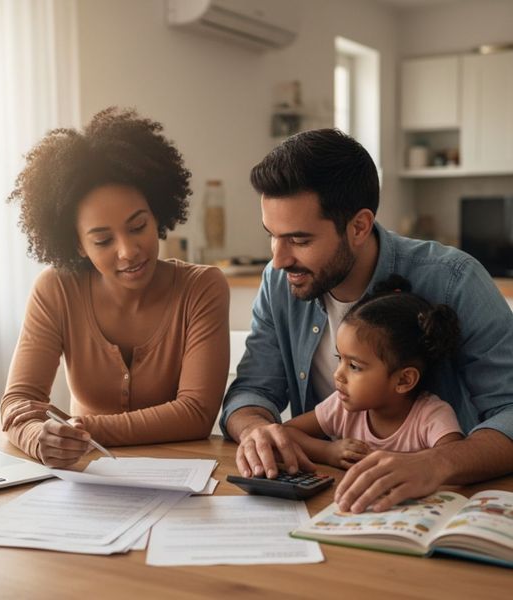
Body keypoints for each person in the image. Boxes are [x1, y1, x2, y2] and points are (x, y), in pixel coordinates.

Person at [220, 128, 513, 514]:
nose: (278, 259)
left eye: (299, 240)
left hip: (439, 505)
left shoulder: (454, 280)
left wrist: (436, 462)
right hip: (328, 500)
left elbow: (508, 409)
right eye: (272, 236)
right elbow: (251, 392)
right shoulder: (280, 282)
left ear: (358, 226)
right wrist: (256, 429)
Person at [1, 107, 230, 467]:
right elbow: (18, 402)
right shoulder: (55, 289)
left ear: (157, 214)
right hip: (89, 481)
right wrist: (38, 438)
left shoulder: (202, 287)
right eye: (103, 240)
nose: (128, 251)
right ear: (78, 245)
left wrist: (84, 429)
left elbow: (196, 412)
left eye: (138, 227)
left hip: (181, 477)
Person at [284, 274, 463, 470]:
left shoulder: (431, 416)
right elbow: (284, 434)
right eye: (339, 359)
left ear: (404, 379)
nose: (338, 375)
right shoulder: (341, 407)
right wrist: (327, 451)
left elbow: (454, 462)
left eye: (354, 366)